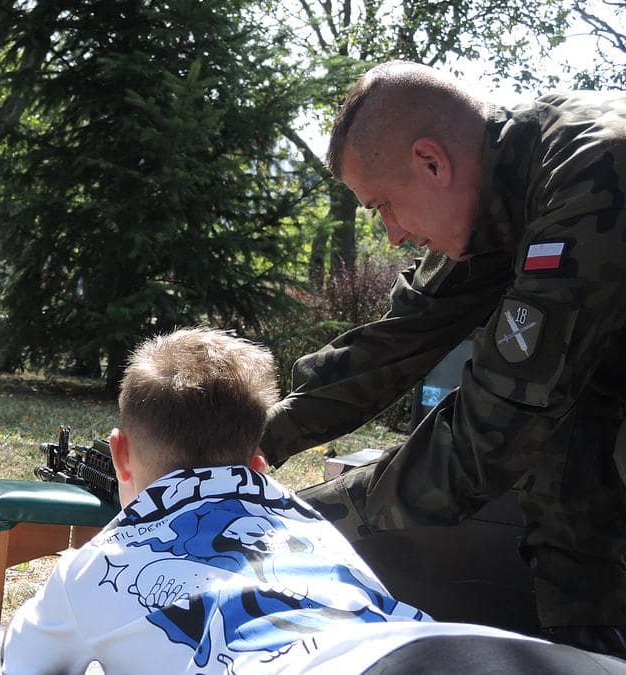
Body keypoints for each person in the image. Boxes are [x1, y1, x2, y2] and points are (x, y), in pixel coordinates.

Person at [259, 61, 626, 656]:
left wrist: (302, 520)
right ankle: (588, 651)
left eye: (384, 205)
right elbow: (400, 338)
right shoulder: (495, 187)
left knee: (550, 423)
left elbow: (495, 428)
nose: (392, 234)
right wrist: (251, 440)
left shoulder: (593, 175)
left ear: (431, 162)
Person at [2, 328, 606, 674]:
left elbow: (24, 660)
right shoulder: (309, 525)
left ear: (120, 454)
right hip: (482, 653)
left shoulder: (95, 564)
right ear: (259, 465)